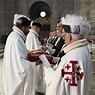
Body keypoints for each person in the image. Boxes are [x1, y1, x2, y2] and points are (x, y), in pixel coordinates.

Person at [44, 14, 92, 95]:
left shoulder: (73, 57)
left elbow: (56, 86)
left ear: (69, 36)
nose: (62, 37)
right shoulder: (82, 49)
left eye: (64, 34)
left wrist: (47, 67)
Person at [3, 14, 41, 95]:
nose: (29, 30)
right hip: (15, 77)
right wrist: (34, 64)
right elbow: (20, 65)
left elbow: (19, 56)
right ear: (23, 27)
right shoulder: (16, 39)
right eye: (28, 28)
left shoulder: (15, 36)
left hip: (13, 73)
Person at [26, 22, 45, 95]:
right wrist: (42, 48)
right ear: (35, 28)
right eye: (39, 29)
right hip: (34, 59)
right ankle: (37, 91)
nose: (39, 30)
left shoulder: (34, 35)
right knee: (35, 76)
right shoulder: (31, 35)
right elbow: (34, 49)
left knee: (39, 76)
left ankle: (39, 90)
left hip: (37, 59)